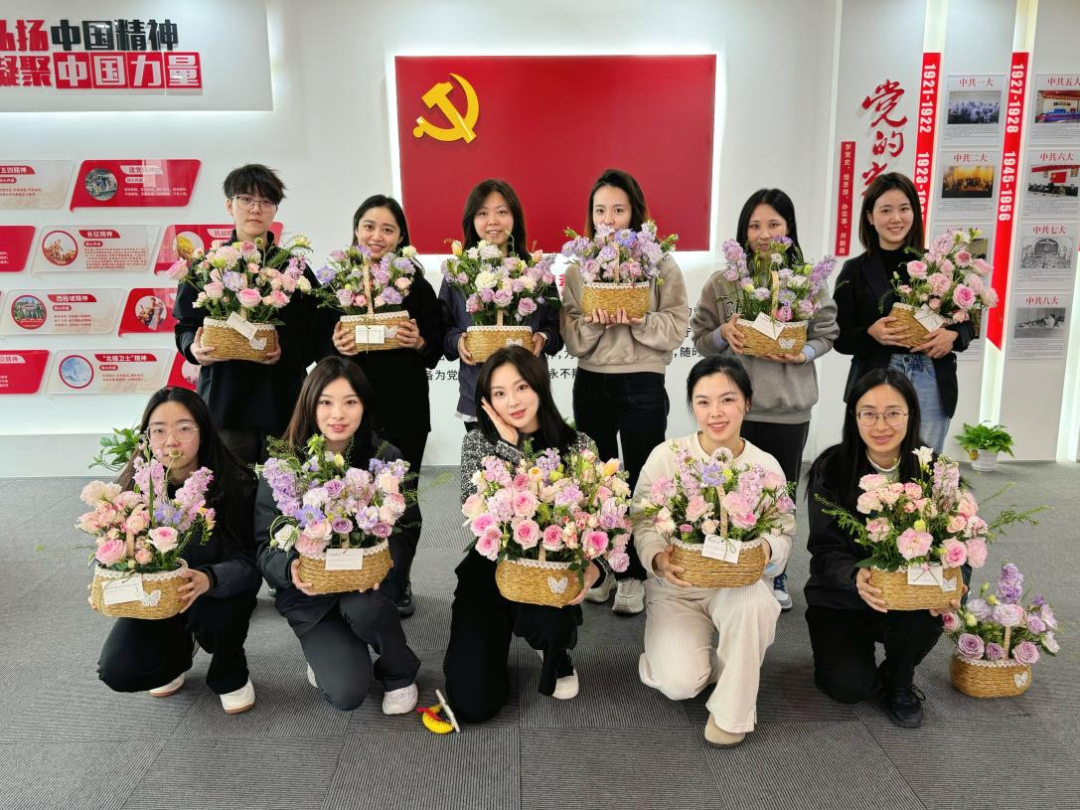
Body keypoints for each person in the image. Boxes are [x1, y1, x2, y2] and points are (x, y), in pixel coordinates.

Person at [633, 355, 792, 747]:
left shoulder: (764, 465)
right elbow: (641, 519)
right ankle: (725, 658)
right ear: (691, 406)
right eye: (703, 402)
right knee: (680, 684)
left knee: (755, 603)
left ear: (747, 403)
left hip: (737, 585)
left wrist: (765, 550)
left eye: (728, 399)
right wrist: (657, 558)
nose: (715, 413)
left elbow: (784, 530)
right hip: (679, 587)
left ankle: (732, 715)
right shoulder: (668, 455)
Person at [691, 188, 837, 611]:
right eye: (755, 225)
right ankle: (728, 565)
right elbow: (701, 337)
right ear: (743, 232)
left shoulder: (808, 282)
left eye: (774, 224)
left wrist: (802, 352)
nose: (764, 234)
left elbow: (827, 333)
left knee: (779, 497)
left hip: (788, 408)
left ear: (789, 230)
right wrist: (724, 334)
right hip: (732, 411)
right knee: (728, 493)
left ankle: (776, 573)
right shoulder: (722, 282)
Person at [443, 346, 604, 723]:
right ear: (486, 401)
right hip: (492, 564)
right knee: (473, 703)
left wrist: (595, 568)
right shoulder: (478, 442)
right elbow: (474, 508)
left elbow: (597, 519)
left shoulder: (579, 445)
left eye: (521, 387)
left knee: (551, 622)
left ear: (539, 386)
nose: (512, 401)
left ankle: (553, 647)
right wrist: (510, 446)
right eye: (499, 393)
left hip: (550, 568)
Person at [255, 357, 420, 713]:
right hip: (310, 597)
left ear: (364, 404)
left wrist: (384, 565)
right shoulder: (283, 464)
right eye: (326, 402)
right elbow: (264, 543)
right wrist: (290, 568)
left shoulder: (384, 457)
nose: (338, 414)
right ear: (309, 404)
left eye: (350, 402)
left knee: (365, 609)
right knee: (347, 693)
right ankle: (331, 653)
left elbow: (407, 529)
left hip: (366, 590)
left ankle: (400, 671)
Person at [561, 168, 689, 616]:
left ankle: (634, 574)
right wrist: (596, 322)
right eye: (600, 211)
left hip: (643, 381)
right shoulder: (579, 267)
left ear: (635, 213)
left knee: (640, 481)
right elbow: (572, 338)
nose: (609, 220)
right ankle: (601, 568)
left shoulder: (661, 265)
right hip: (592, 380)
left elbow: (675, 327)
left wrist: (637, 318)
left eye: (618, 209)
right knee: (596, 483)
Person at [805, 368, 961, 728]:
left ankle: (899, 680)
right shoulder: (832, 468)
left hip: (909, 598)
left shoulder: (933, 470)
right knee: (848, 687)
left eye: (893, 413)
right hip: (842, 597)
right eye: (869, 413)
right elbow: (824, 549)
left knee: (929, 610)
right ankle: (853, 664)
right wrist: (855, 575)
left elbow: (960, 538)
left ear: (911, 415)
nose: (881, 425)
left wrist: (956, 583)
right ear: (854, 416)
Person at [97, 387, 260, 714]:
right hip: (158, 598)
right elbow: (119, 553)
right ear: (147, 437)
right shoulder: (135, 487)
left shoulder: (236, 484)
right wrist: (107, 585)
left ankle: (230, 668)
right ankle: (179, 650)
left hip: (217, 593)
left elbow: (251, 566)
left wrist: (209, 579)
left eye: (184, 428)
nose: (171, 441)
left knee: (216, 618)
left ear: (203, 431)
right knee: (120, 670)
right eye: (159, 431)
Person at [327, 194, 445, 618]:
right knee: (349, 494)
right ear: (356, 230)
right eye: (369, 226)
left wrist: (420, 341)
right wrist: (334, 344)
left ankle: (399, 579)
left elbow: (436, 344)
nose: (377, 236)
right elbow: (317, 342)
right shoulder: (337, 282)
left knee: (402, 498)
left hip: (404, 406)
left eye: (387, 229)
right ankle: (353, 574)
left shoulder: (416, 283)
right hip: (349, 411)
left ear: (400, 237)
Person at [173, 163, 323, 466]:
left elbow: (317, 331)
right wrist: (194, 348)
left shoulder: (293, 268)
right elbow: (186, 325)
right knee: (228, 486)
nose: (256, 208)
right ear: (229, 205)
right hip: (225, 400)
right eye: (246, 199)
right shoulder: (208, 264)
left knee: (288, 487)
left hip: (283, 401)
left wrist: (285, 351)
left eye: (266, 201)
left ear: (275, 210)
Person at [834, 172, 974, 453]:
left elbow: (969, 324)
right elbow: (839, 337)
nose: (895, 218)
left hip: (931, 374)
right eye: (886, 210)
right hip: (877, 372)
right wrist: (870, 334)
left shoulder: (939, 265)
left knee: (924, 463)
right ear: (870, 217)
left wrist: (953, 337)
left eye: (904, 209)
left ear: (914, 213)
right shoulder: (854, 270)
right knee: (872, 461)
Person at [439, 178, 563, 431]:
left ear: (515, 218)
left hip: (528, 396)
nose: (493, 221)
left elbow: (556, 329)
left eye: (502, 212)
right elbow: (442, 329)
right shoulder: (458, 274)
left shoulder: (536, 271)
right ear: (472, 221)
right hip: (478, 396)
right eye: (483, 213)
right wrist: (458, 342)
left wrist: (543, 338)